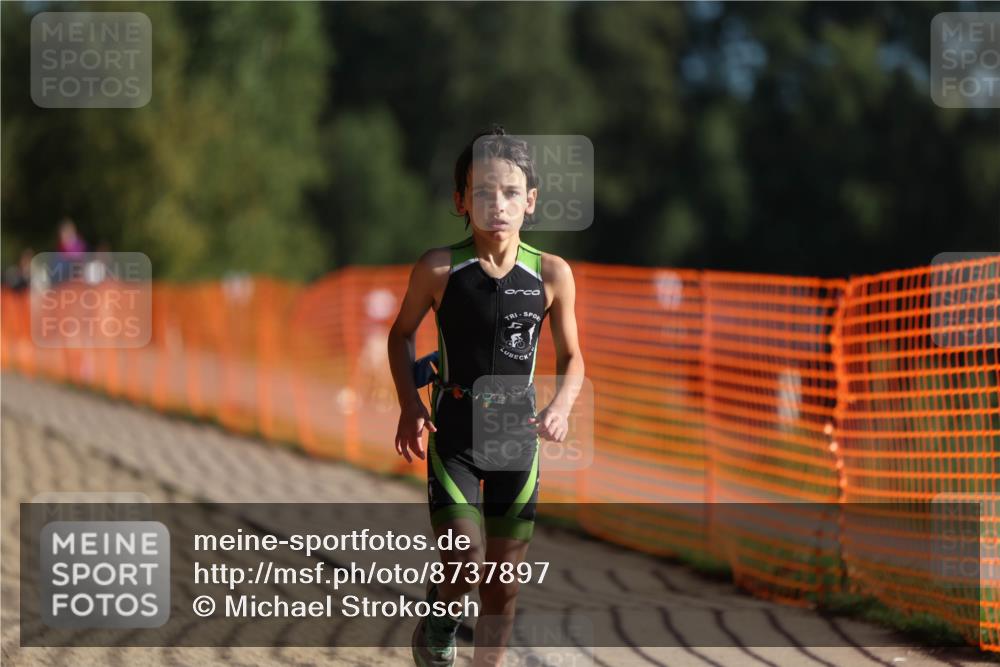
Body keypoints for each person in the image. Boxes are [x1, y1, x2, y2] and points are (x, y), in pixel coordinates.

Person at [388, 126, 585, 667]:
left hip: (517, 439)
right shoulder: (438, 269)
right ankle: (440, 618)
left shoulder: (551, 274)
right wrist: (410, 403)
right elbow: (400, 334)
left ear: (531, 200)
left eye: (510, 192)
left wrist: (561, 407)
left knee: (502, 587)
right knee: (466, 561)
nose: (496, 205)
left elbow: (573, 358)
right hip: (454, 433)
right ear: (460, 201)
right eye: (481, 193)